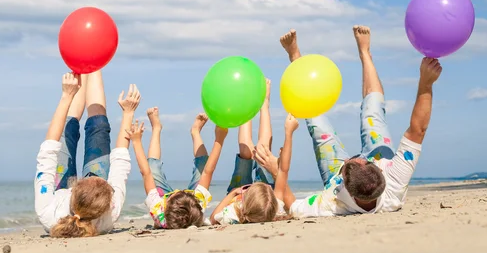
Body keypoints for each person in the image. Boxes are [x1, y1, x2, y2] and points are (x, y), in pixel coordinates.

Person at [261, 26, 442, 217]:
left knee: (317, 123)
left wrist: (277, 171)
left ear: (344, 183)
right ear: (380, 172)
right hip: (382, 158)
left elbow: (292, 206)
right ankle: (365, 53)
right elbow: (418, 130)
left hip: (336, 176)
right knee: (373, 111)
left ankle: (296, 59)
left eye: (349, 165)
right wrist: (426, 83)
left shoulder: (332, 202)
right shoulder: (394, 182)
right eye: (365, 161)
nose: (352, 158)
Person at [34, 71, 141, 237]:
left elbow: (48, 151)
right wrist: (128, 113)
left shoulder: (48, 213)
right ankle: (93, 65)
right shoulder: (109, 212)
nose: (94, 177)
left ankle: (82, 66)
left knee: (67, 129)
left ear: (76, 188)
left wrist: (66, 96)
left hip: (59, 194)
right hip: (89, 200)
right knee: (98, 127)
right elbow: (120, 160)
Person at [126, 108, 228, 229]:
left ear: (166, 204)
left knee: (152, 167)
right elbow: (208, 171)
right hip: (189, 203)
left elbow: (146, 173)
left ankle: (156, 128)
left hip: (165, 200)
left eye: (174, 194)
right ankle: (195, 131)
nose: (177, 190)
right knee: (203, 166)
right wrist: (219, 139)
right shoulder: (197, 204)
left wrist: (136, 142)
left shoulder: (158, 208)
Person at [210, 79, 289, 225]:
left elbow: (213, 219)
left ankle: (246, 106)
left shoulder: (233, 214)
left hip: (238, 197)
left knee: (247, 153)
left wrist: (235, 192)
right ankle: (264, 104)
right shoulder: (273, 207)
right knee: (263, 151)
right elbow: (281, 179)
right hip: (265, 196)